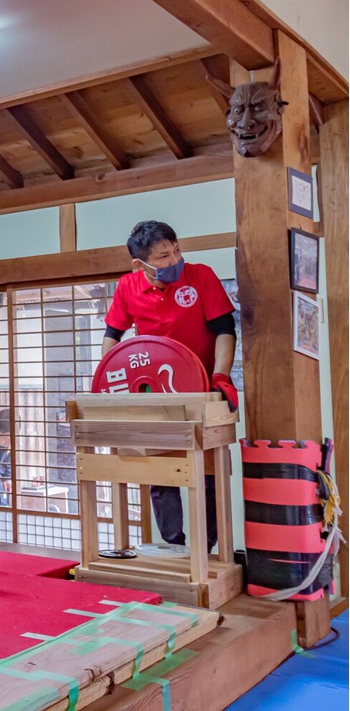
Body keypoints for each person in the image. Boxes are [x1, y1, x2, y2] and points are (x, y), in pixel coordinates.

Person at [101, 220, 238, 551]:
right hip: (155, 393)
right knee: (161, 474)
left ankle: (205, 548)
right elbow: (113, 337)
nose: (175, 260)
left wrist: (220, 375)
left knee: (208, 474)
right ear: (140, 264)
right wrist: (106, 382)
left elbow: (224, 328)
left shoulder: (200, 275)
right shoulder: (127, 287)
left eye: (176, 250)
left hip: (203, 387)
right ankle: (174, 546)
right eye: (163, 256)